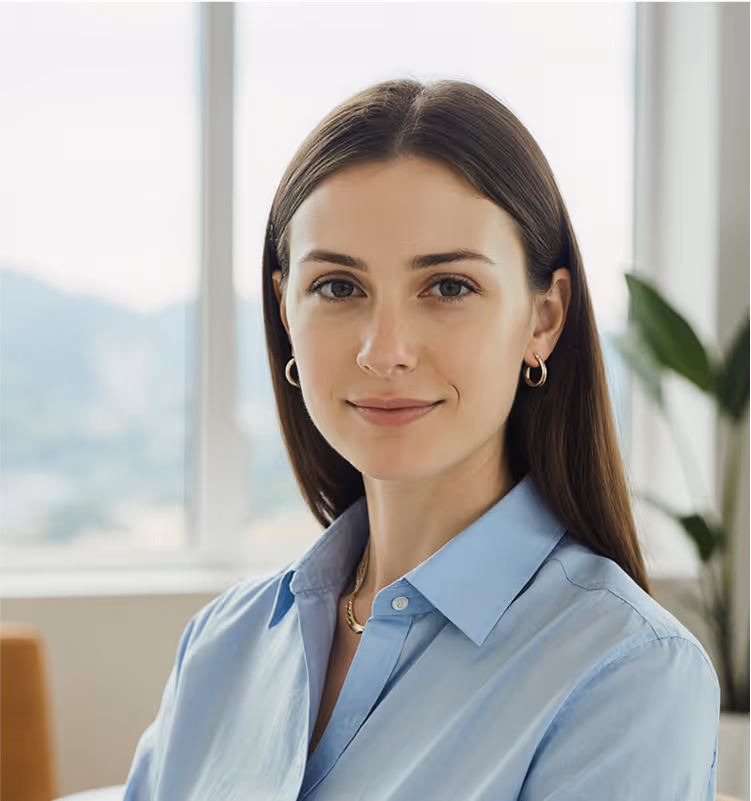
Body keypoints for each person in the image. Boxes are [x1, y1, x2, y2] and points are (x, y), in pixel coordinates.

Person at [123, 78, 720, 800]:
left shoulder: (625, 672)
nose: (384, 350)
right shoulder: (223, 643)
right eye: (339, 287)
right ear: (284, 311)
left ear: (543, 317)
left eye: (447, 287)